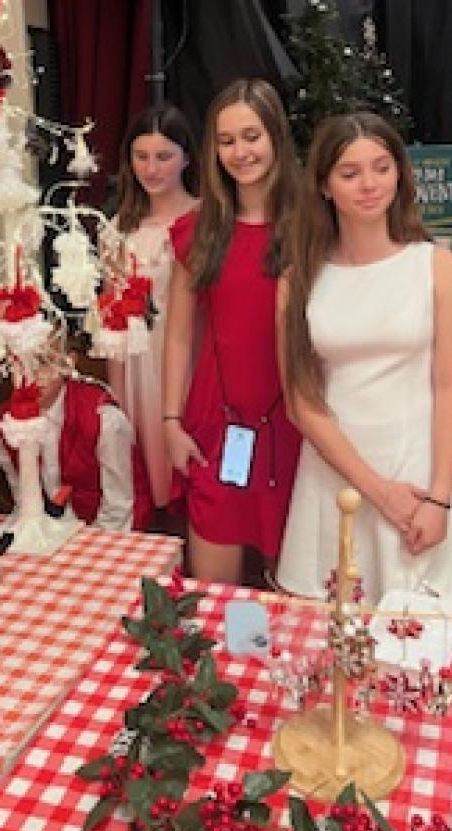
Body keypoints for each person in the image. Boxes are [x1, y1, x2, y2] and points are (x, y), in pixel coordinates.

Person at [276, 112, 452, 606]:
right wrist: (378, 491)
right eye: (350, 172)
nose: (368, 184)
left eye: (381, 168)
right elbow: (302, 403)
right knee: (326, 637)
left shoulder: (437, 267)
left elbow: (449, 388)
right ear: (324, 185)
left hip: (417, 476)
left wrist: (439, 497)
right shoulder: (297, 282)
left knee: (414, 634)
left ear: (399, 173)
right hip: (333, 477)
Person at [163, 79, 301, 583]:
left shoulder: (311, 226)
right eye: (226, 141)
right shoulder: (200, 229)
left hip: (296, 427)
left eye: (251, 136)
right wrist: (171, 421)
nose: (240, 152)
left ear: (276, 136)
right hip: (219, 425)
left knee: (291, 592)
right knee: (212, 593)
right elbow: (179, 335)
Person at [106, 104, 199, 519]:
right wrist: (115, 392)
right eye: (141, 157)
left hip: (188, 353)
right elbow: (111, 315)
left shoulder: (204, 218)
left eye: (164, 157)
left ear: (186, 158)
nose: (152, 169)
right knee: (143, 457)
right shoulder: (118, 229)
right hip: (136, 362)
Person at [0, 335, 134, 533]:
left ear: (68, 361)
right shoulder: (6, 424)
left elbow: (118, 508)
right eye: (21, 363)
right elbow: (21, 497)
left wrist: (87, 545)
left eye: (44, 362)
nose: (32, 375)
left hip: (99, 531)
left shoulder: (103, 419)